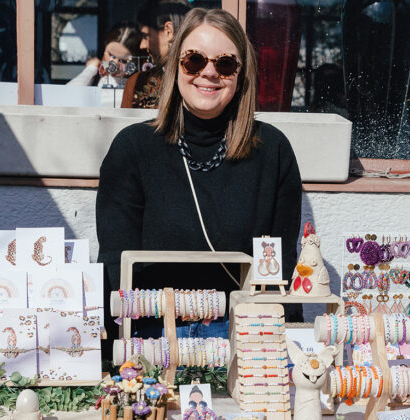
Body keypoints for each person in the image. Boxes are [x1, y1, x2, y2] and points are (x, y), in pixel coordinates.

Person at [97, 8, 303, 341]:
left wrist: (283, 343)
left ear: (241, 74)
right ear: (175, 64)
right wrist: (113, 359)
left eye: (225, 64)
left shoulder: (272, 151)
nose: (209, 73)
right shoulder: (132, 149)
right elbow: (114, 263)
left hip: (240, 336)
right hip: (151, 336)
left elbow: (280, 264)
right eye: (194, 60)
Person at [120, 0, 190, 108]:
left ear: (168, 31)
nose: (142, 45)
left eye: (146, 36)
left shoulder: (138, 83)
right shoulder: (204, 80)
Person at [67, 24, 146, 88]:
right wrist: (90, 70)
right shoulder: (95, 78)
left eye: (124, 60)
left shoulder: (138, 88)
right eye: (111, 55)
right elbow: (69, 94)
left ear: (136, 61)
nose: (114, 63)